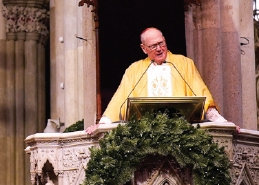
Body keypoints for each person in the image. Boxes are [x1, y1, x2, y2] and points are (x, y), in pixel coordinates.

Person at [92, 27, 227, 133]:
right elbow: (119, 100)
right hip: (145, 133)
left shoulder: (184, 63)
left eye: (161, 43)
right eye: (153, 46)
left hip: (182, 131)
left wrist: (223, 123)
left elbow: (201, 93)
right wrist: (103, 123)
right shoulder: (134, 70)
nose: (159, 49)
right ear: (143, 48)